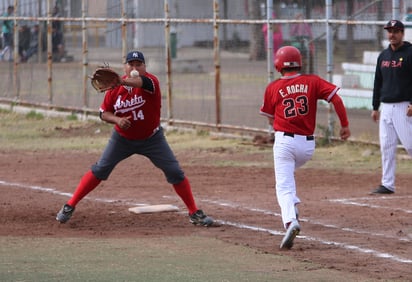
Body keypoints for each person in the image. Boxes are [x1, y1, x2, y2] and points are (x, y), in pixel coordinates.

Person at [56, 50, 214, 227]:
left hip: (152, 139)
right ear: (125, 66)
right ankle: (70, 205)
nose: (135, 67)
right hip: (122, 139)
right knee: (100, 170)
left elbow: (140, 81)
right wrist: (117, 119)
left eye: (139, 64)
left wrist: (121, 81)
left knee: (175, 172)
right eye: (131, 64)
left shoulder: (151, 82)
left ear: (145, 67)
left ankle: (194, 213)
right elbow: (103, 113)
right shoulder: (114, 91)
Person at [259, 46, 350, 250]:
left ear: (278, 65)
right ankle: (293, 205)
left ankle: (291, 221)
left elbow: (270, 117)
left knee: (283, 186)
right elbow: (336, 98)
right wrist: (344, 125)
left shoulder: (273, 87)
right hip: (307, 146)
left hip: (284, 142)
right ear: (299, 62)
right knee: (288, 177)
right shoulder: (313, 81)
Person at [370, 20, 412, 194]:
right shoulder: (383, 56)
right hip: (386, 107)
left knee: (410, 145)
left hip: (404, 107)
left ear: (402, 33)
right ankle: (387, 183)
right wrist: (375, 106)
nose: (392, 34)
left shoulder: (410, 53)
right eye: (389, 31)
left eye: (395, 31)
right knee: (386, 146)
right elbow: (377, 81)